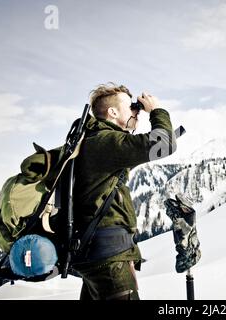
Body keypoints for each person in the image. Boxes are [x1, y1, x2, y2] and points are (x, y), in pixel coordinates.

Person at [71, 82, 176, 300]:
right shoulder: (106, 141)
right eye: (131, 107)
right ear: (112, 112)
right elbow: (164, 144)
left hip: (94, 253)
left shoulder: (92, 140)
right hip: (109, 258)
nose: (136, 112)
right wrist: (156, 111)